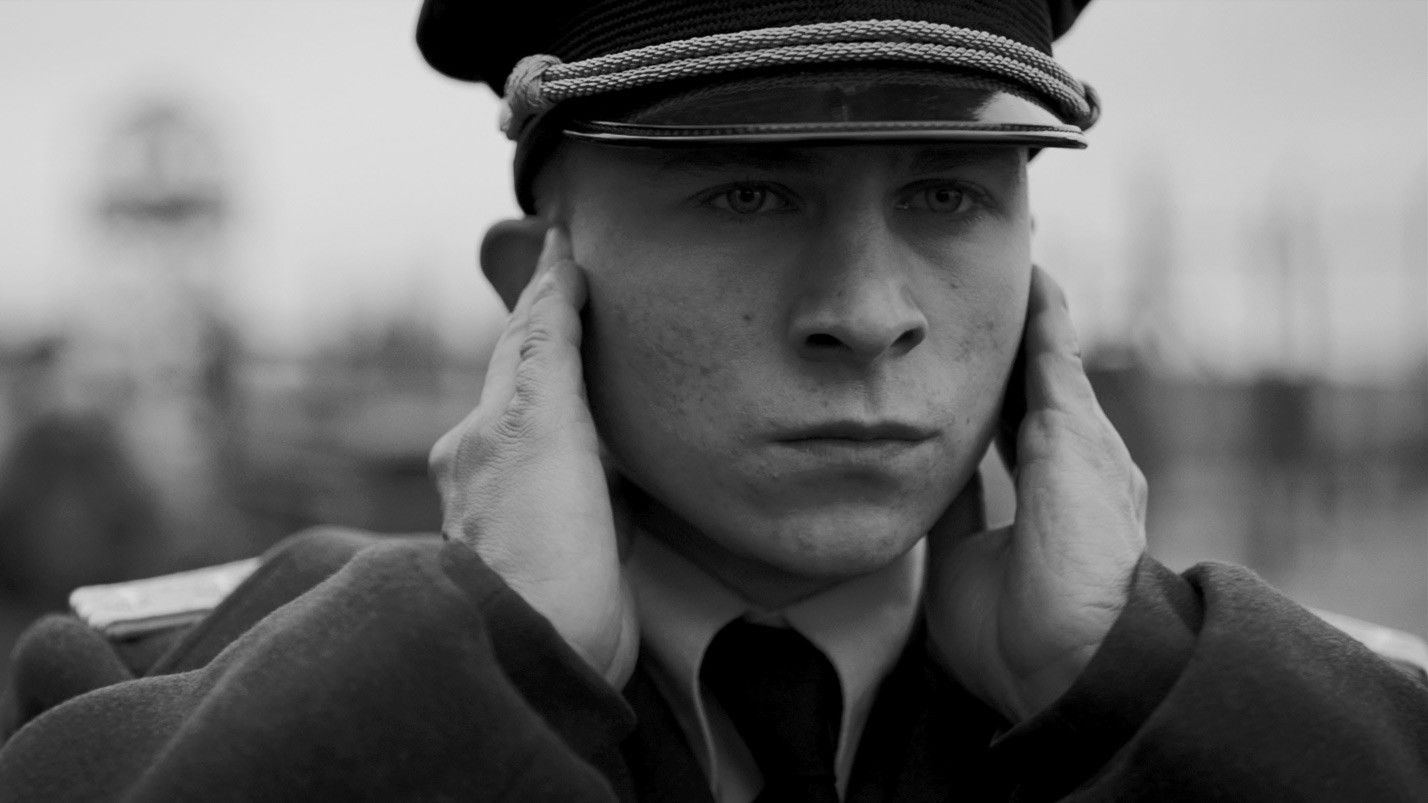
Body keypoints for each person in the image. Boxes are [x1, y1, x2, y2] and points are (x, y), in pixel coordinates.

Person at [2, 1, 1426, 800]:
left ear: (1034, 275)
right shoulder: (151, 697)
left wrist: (1137, 690)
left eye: (947, 194)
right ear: (537, 290)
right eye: (748, 193)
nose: (867, 311)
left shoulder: (1293, 718)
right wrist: (480, 669)